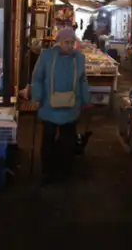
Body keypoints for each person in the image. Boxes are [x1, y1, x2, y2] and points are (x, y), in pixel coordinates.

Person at [31, 28, 91, 183]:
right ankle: (47, 171)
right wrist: (37, 96)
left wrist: (86, 99)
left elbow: (82, 80)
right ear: (59, 42)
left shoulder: (79, 58)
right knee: (48, 139)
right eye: (66, 42)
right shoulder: (47, 56)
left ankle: (65, 170)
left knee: (68, 141)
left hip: (71, 107)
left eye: (72, 42)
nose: (70, 46)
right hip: (49, 106)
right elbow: (37, 78)